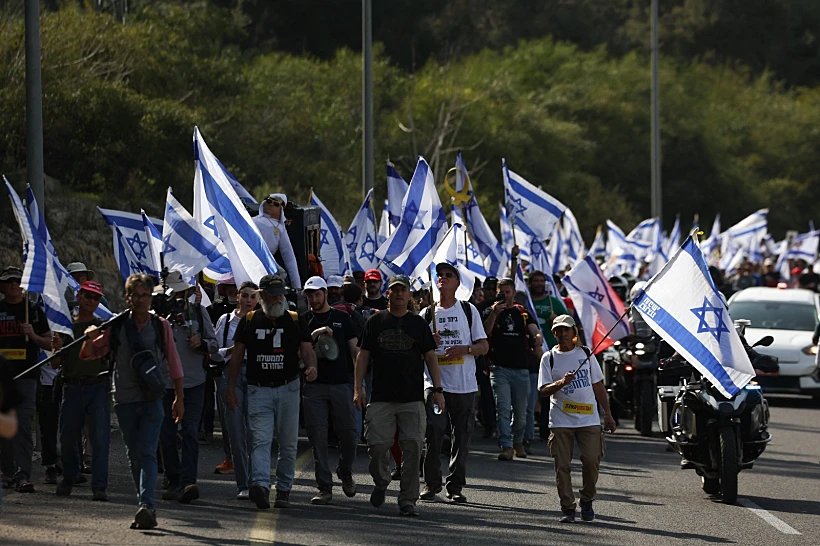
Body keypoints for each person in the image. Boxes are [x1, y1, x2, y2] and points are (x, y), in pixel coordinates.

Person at [80, 273, 185, 530]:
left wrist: (179, 398)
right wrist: (89, 336)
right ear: (127, 297)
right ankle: (143, 503)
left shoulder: (161, 326)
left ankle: (147, 505)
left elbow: (173, 363)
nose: (139, 300)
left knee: (147, 451)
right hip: (125, 399)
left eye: (144, 295)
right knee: (134, 454)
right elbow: (88, 355)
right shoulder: (116, 326)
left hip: (153, 399)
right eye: (135, 295)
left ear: (151, 298)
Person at [354, 274, 446, 517]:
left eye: (402, 290)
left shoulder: (418, 324)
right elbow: (363, 356)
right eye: (394, 290)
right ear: (388, 294)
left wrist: (438, 391)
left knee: (414, 449)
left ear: (409, 295)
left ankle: (407, 500)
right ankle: (382, 481)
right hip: (381, 398)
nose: (398, 294)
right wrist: (358, 388)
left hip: (412, 399)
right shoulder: (375, 322)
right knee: (376, 447)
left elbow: (430, 358)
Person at [226, 274, 318, 510]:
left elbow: (307, 350)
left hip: (289, 387)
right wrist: (231, 389)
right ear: (262, 295)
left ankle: (284, 490)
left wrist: (312, 366)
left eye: (281, 294)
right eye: (273, 294)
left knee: (288, 443)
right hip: (258, 389)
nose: (278, 298)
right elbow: (236, 358)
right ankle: (260, 485)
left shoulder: (295, 320)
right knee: (260, 440)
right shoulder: (249, 320)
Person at [419, 263, 488, 503]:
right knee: (434, 433)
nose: (443, 278)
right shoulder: (426, 314)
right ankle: (431, 484)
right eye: (439, 275)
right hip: (435, 387)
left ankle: (455, 486)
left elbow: (483, 346)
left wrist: (465, 348)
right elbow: (415, 351)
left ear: (458, 283)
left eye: (449, 275)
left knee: (462, 438)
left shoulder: (469, 311)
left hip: (464, 387)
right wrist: (428, 341)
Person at [538, 315, 616, 523]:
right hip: (561, 421)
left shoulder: (586, 354)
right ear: (553, 333)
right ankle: (568, 508)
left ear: (574, 332)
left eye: (566, 330)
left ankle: (587, 500)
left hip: (589, 420)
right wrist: (562, 383)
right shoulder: (549, 358)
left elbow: (598, 385)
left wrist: (607, 414)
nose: (562, 334)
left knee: (591, 461)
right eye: (558, 331)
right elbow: (544, 390)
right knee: (562, 466)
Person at [157, 271, 217, 504]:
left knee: (190, 431)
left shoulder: (199, 314)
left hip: (194, 381)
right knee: (167, 433)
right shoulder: (159, 317)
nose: (178, 297)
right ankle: (172, 480)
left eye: (181, 292)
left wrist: (201, 343)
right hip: (165, 382)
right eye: (174, 292)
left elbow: (213, 344)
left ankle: (187, 482)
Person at [299, 276, 360, 505]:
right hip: (314, 388)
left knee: (349, 436)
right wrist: (315, 334)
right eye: (309, 295)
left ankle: (345, 471)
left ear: (325, 293)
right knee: (318, 438)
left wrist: (359, 383)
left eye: (317, 294)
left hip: (341, 385)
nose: (313, 299)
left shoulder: (343, 318)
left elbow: (356, 352)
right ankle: (324, 487)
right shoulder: (303, 321)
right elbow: (298, 354)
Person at [51, 281, 111, 501]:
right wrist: (56, 348)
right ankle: (69, 478)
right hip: (72, 386)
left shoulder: (103, 327)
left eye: (96, 298)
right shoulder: (66, 327)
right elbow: (55, 364)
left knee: (99, 438)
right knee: (67, 437)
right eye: (87, 296)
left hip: (98, 386)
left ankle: (99, 486)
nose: (91, 301)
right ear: (79, 296)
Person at [0, 266, 52, 493]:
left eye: (17, 280)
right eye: (9, 280)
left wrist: (32, 335)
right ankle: (6, 472)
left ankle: (23, 474)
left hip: (27, 376)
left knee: (22, 426)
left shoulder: (34, 311)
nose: (13, 284)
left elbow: (50, 344)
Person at [482, 277, 543, 460]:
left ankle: (518, 441)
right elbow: (483, 334)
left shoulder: (522, 312)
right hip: (499, 369)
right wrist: (494, 314)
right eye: (501, 292)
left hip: (521, 370)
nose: (505, 296)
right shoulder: (489, 311)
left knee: (521, 412)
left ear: (513, 293)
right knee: (503, 409)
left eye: (508, 292)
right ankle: (506, 445)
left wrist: (538, 336)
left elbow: (533, 329)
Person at [213, 281, 259, 499]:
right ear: (238, 297)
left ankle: (259, 479)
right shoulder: (226, 320)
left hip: (255, 375)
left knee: (255, 430)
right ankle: (244, 484)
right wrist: (234, 349)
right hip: (230, 374)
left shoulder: (261, 320)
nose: (249, 300)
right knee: (236, 431)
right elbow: (214, 351)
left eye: (253, 296)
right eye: (245, 296)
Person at [526, 270, 568, 453]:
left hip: (551, 353)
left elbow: (568, 323)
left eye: (541, 281)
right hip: (529, 354)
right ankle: (526, 433)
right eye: (535, 280)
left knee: (548, 393)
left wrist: (555, 320)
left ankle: (545, 429)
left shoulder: (554, 303)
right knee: (530, 395)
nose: (538, 283)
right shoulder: (526, 302)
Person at [252, 194, 302, 289]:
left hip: (269, 264)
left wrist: (297, 286)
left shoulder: (280, 228)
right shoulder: (252, 221)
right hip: (250, 260)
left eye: (276, 204)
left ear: (281, 209)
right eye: (268, 201)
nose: (270, 205)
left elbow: (289, 258)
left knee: (281, 276)